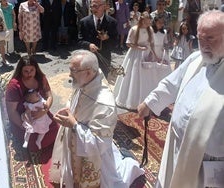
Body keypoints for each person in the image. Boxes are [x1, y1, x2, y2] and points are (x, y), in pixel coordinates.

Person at [137, 10, 224, 188]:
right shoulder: (195, 59)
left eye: (210, 38)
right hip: (177, 145)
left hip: (207, 161)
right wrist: (150, 102)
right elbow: (172, 83)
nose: (204, 45)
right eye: (200, 39)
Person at [49, 49, 144, 187]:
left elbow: (100, 143)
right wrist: (69, 110)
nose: (69, 75)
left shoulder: (105, 103)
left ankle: (128, 162)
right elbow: (76, 101)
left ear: (88, 72)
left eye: (73, 71)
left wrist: (75, 125)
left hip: (95, 158)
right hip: (76, 144)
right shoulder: (84, 82)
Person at [5, 55, 59, 152]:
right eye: (26, 71)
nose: (29, 73)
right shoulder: (14, 86)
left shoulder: (41, 78)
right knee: (32, 142)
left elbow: (49, 96)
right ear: (21, 71)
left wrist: (44, 111)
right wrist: (25, 126)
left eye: (32, 70)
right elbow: (11, 111)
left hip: (42, 115)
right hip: (24, 119)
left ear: (36, 69)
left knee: (55, 131)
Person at [114, 11, 158, 110]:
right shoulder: (134, 29)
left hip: (146, 54)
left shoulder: (150, 29)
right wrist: (138, 47)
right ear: (141, 21)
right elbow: (128, 43)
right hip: (135, 55)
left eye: (148, 23)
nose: (147, 25)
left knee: (147, 76)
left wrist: (153, 54)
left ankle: (147, 100)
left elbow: (152, 43)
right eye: (145, 23)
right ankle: (132, 100)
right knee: (133, 75)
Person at [78, 0, 118, 78]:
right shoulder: (84, 22)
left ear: (104, 6)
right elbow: (79, 41)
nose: (95, 8)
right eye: (93, 6)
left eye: (97, 6)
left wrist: (107, 38)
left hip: (105, 59)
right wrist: (89, 45)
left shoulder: (112, 22)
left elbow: (115, 42)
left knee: (104, 82)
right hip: (88, 59)